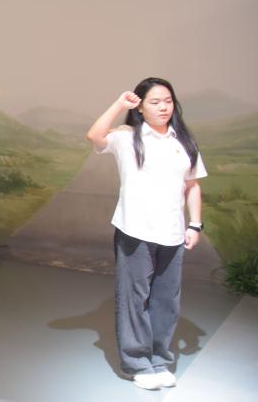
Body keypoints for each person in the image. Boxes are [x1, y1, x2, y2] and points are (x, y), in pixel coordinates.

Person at [86, 78, 206, 391]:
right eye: (155, 102)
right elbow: (95, 135)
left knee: (166, 300)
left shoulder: (184, 141)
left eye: (168, 100)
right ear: (140, 107)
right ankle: (137, 361)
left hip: (173, 233)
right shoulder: (127, 137)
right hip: (135, 231)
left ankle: (159, 358)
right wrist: (119, 104)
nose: (163, 107)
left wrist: (195, 224)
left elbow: (192, 185)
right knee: (134, 298)